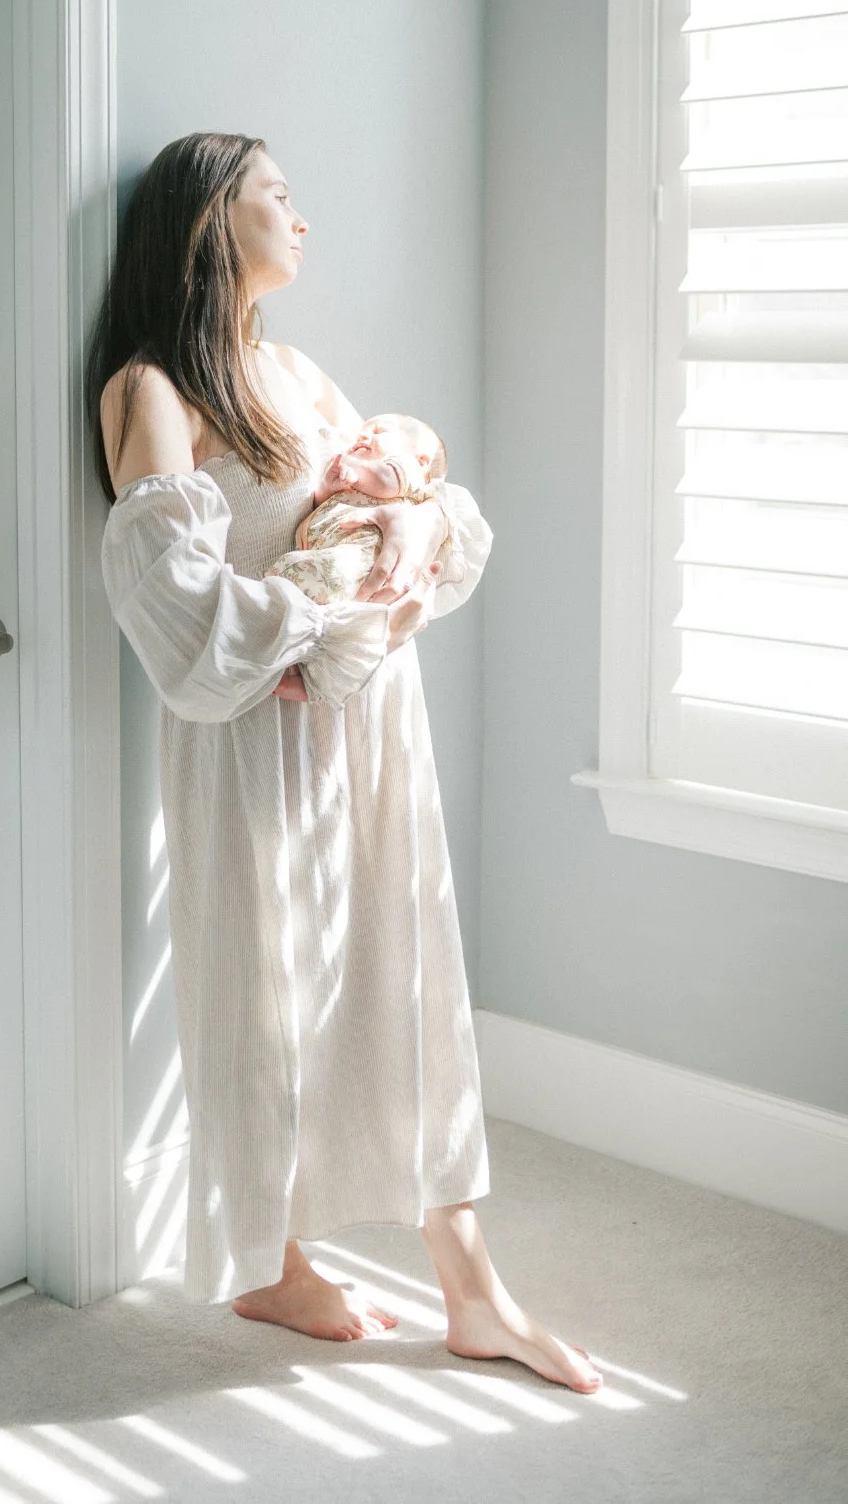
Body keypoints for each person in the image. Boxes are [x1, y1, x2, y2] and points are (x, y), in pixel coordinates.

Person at [87, 132, 602, 1394]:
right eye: (277, 197)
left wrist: (405, 554)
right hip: (254, 738)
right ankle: (271, 1258)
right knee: (265, 994)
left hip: (372, 723)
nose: (301, 219)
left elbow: (388, 516)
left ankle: (471, 1289)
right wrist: (328, 623)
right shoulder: (153, 390)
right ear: (212, 222)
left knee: (407, 982)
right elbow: (174, 610)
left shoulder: (296, 372)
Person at [266, 411, 457, 608]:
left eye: (379, 431)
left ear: (421, 461)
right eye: (361, 434)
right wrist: (328, 488)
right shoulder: (361, 478)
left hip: (360, 557)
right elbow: (319, 509)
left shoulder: (408, 470)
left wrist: (351, 465)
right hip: (329, 553)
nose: (362, 437)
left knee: (296, 573)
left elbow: (385, 480)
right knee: (296, 576)